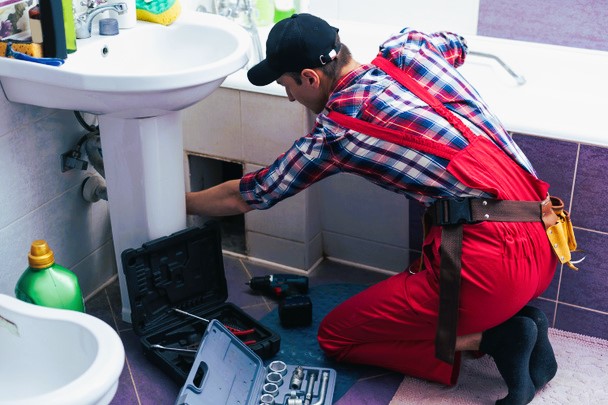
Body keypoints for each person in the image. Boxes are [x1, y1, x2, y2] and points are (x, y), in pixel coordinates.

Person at [186, 13, 560, 405]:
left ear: (311, 77)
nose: (290, 97)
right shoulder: (413, 47)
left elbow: (252, 193)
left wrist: (179, 203)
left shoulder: (337, 131)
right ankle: (524, 322)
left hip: (491, 272)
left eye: (288, 85)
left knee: (337, 336)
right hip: (545, 234)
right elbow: (458, 44)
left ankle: (498, 339)